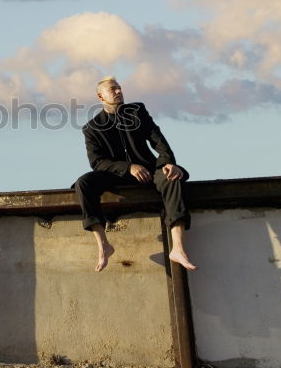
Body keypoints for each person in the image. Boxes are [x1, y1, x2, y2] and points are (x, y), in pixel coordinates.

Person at [74, 76, 196, 273]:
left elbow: (158, 140)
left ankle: (178, 248)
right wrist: (128, 167)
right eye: (113, 89)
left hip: (150, 170)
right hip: (116, 175)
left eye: (120, 87)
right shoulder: (92, 128)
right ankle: (103, 244)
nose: (118, 91)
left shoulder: (137, 111)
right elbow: (97, 162)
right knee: (84, 183)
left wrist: (168, 163)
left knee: (173, 177)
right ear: (100, 96)